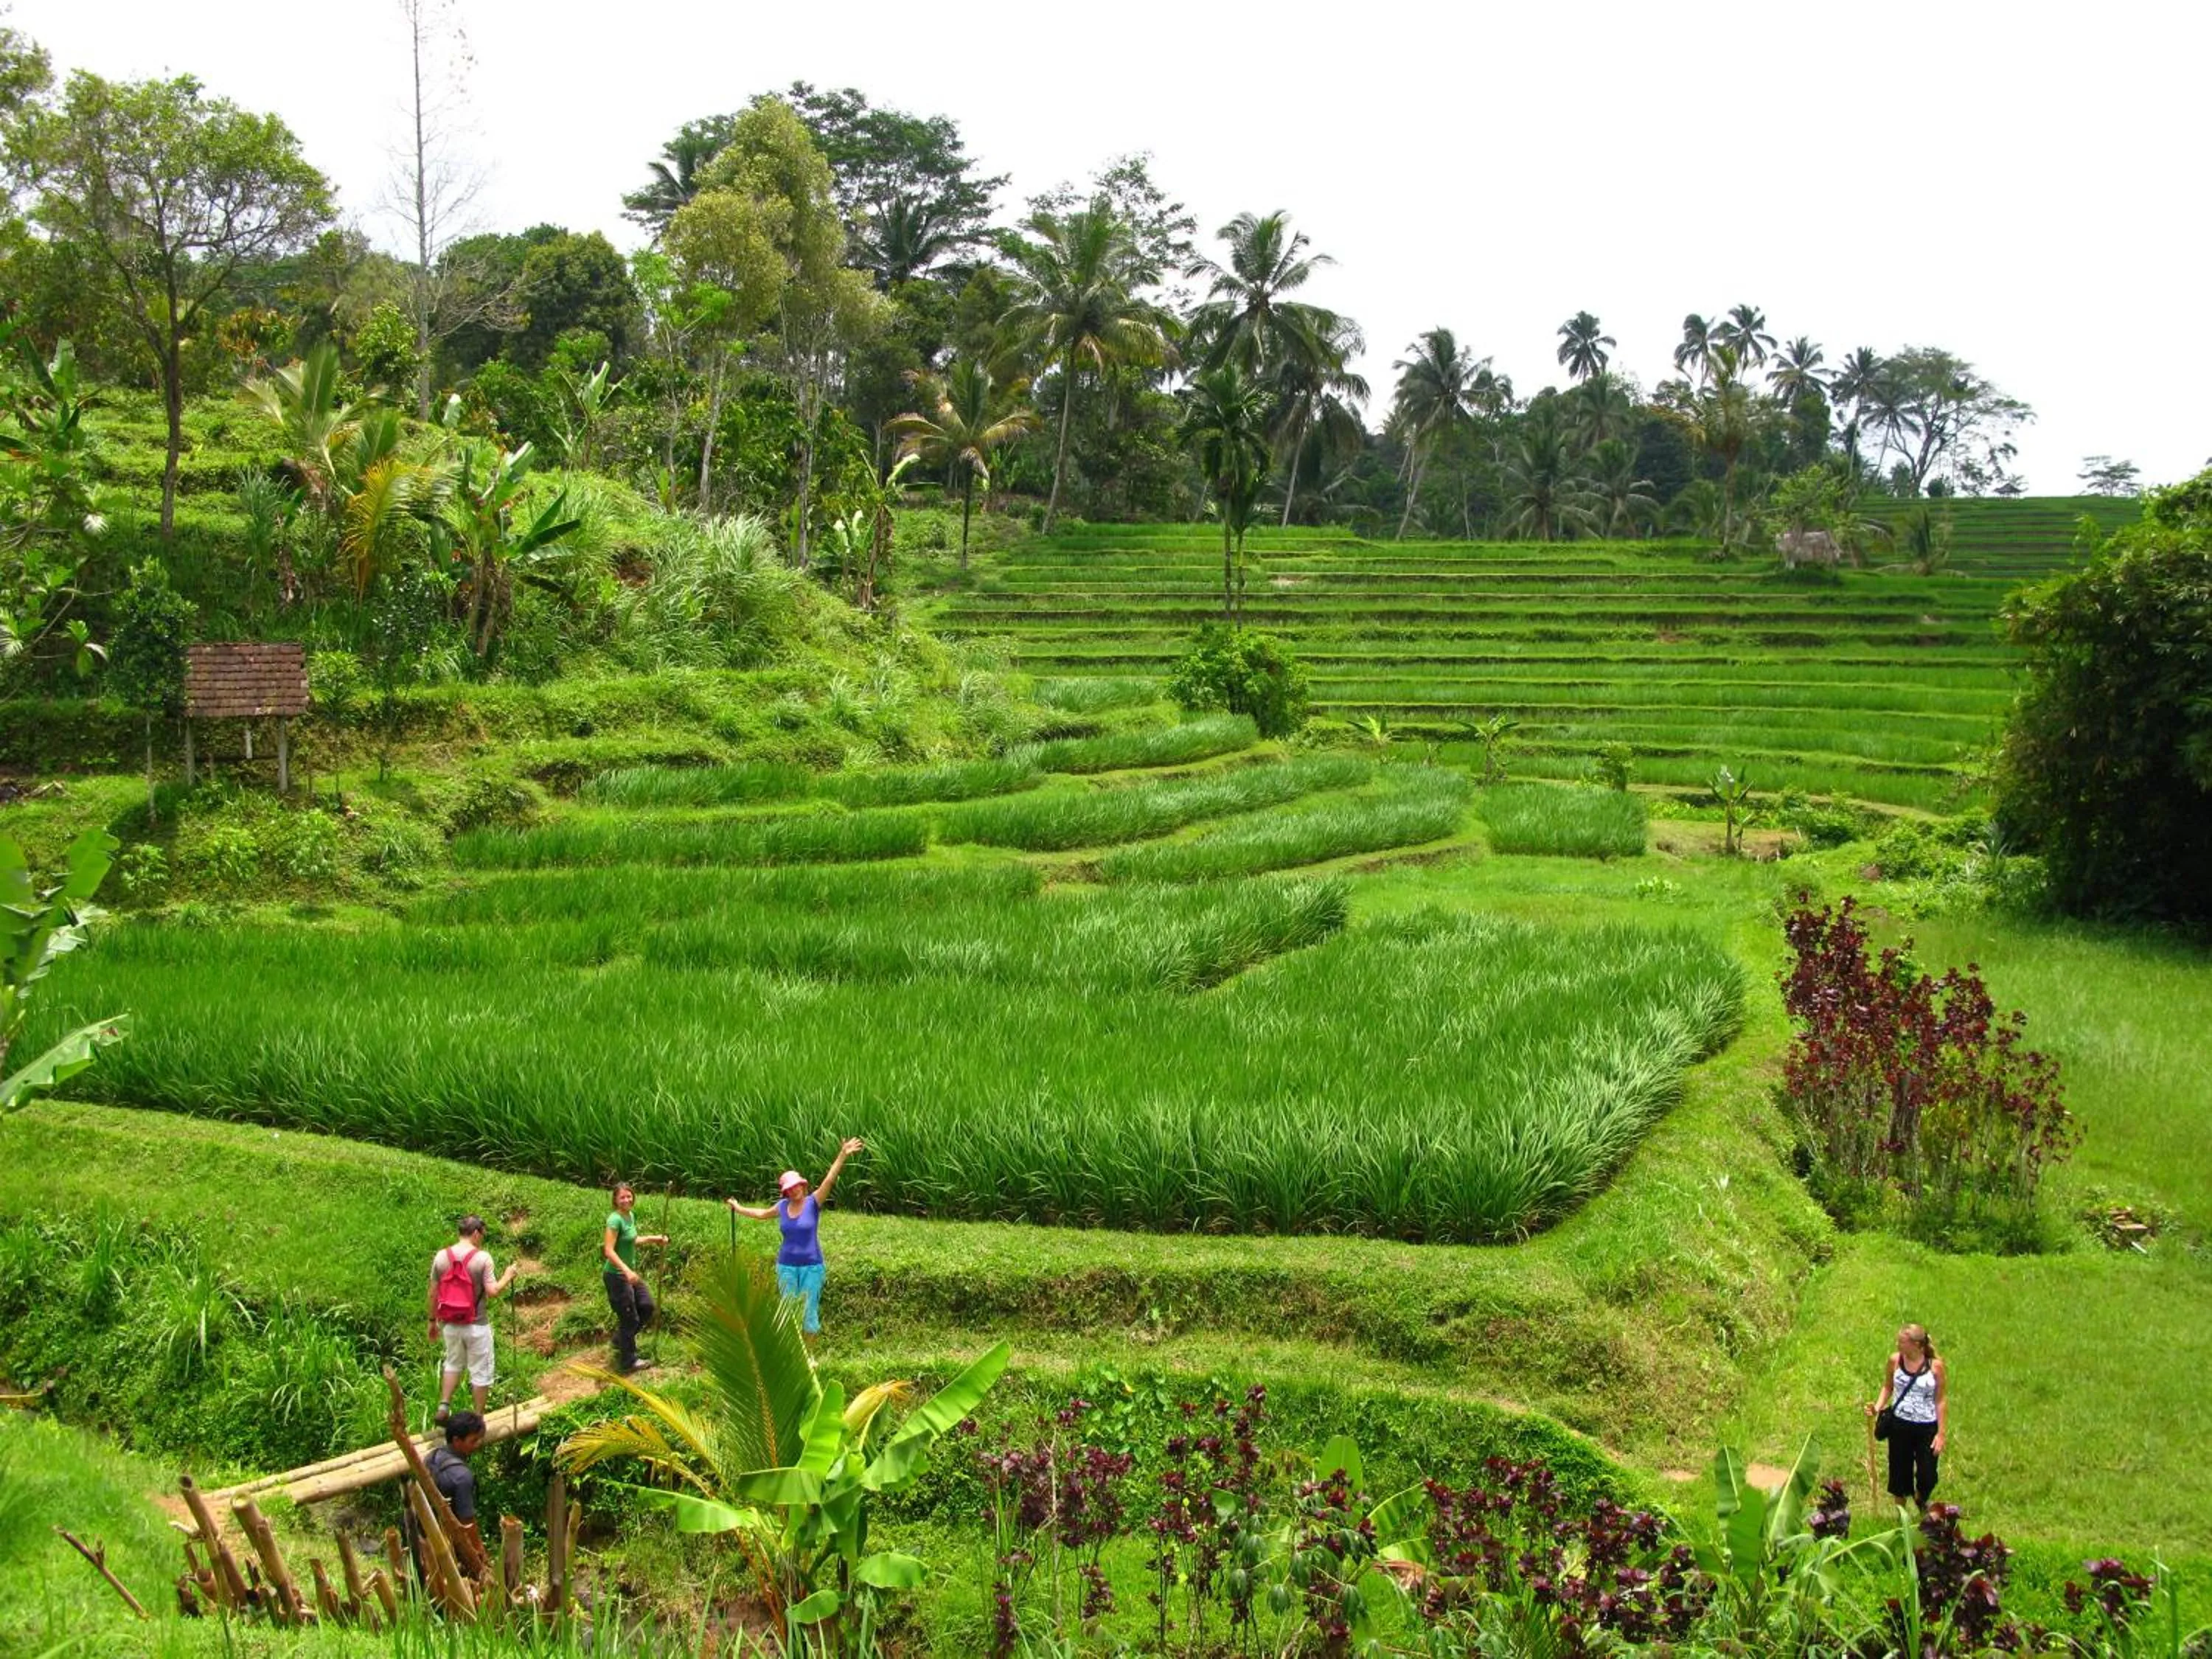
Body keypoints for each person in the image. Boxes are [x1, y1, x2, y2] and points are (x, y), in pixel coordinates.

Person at [728, 1138, 865, 1340]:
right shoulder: (782, 1207)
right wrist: (738, 1208)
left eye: (797, 1186)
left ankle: (809, 1357)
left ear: (803, 1185)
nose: (795, 1190)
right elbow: (761, 1214)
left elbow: (829, 1180)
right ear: (786, 1191)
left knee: (809, 1312)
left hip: (812, 1267)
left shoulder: (813, 1202)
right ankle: (792, 1356)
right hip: (786, 1267)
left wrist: (842, 1154)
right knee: (789, 1313)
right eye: (790, 1188)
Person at [428, 1216, 518, 1424]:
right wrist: (508, 1275)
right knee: (481, 1371)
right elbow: (493, 1291)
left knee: (452, 1362)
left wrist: (432, 1321)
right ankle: (478, 1417)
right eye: (483, 1235)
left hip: (450, 1325)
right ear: (476, 1233)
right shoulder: (483, 1258)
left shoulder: (442, 1257)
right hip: (477, 1325)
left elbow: (433, 1292)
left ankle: (444, 1405)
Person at [1866, 1321, 1947, 1511]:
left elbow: (1941, 1400)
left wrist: (1941, 1433)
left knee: (1928, 1475)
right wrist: (1877, 1407)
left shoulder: (1935, 1367)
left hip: (1926, 1426)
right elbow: (1888, 1387)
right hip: (1899, 1425)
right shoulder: (1895, 1361)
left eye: (1902, 1342)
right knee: (1899, 1473)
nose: (1898, 1345)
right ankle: (1900, 1516)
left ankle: (1921, 1498)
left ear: (1917, 1345)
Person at [406, 1409, 487, 1576]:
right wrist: (480, 1552)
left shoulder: (431, 1456)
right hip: (445, 1543)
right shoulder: (462, 1477)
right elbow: (467, 1522)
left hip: (419, 1535)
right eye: (473, 1441)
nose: (478, 1444)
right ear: (457, 1440)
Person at [602, 1181, 669, 1375]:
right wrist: (627, 1271)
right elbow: (609, 1250)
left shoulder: (630, 1216)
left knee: (647, 1306)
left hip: (629, 1274)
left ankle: (620, 1340)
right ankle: (628, 1361)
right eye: (622, 1197)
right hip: (617, 1276)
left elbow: (632, 1239)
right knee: (629, 1318)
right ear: (615, 1200)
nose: (626, 1200)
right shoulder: (614, 1220)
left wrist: (654, 1239)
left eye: (629, 1196)